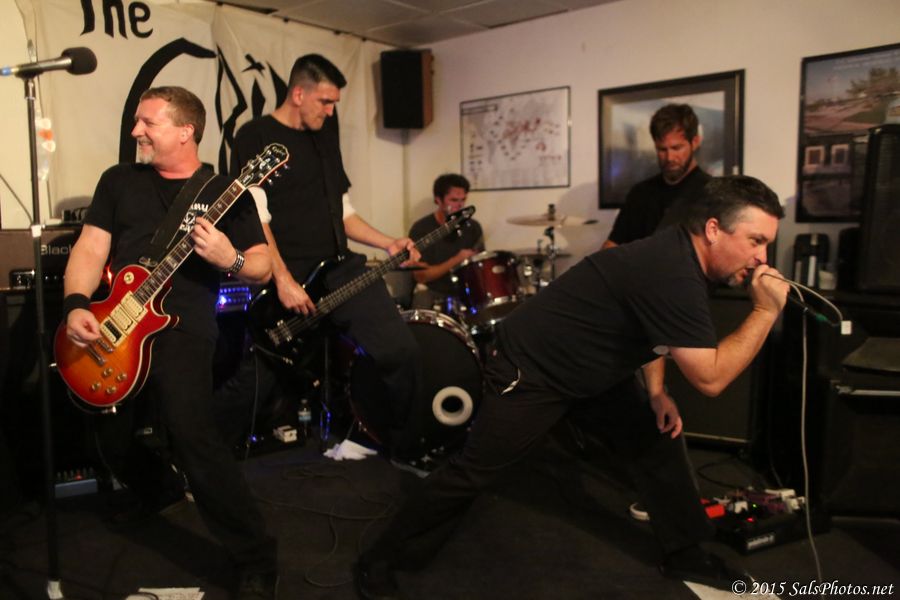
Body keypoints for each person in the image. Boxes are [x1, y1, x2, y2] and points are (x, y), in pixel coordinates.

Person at [355, 175, 790, 598]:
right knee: (472, 472)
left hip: (595, 369)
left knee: (656, 434)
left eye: (766, 244)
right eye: (755, 241)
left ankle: (685, 553)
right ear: (713, 229)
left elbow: (654, 328)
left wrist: (657, 393)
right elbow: (711, 379)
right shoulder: (674, 272)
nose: (762, 257)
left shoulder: (678, 257)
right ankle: (380, 560)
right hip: (533, 369)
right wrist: (765, 312)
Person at [62, 86, 278, 599]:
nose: (135, 130)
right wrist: (75, 303)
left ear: (186, 131)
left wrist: (229, 258)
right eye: (138, 121)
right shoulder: (119, 181)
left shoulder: (227, 191)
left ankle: (256, 557)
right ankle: (159, 490)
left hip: (182, 327)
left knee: (190, 434)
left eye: (148, 123)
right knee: (109, 434)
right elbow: (92, 246)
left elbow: (263, 265)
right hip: (118, 323)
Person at [231, 54, 427, 470]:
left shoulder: (324, 135)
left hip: (341, 269)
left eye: (334, 103)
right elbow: (256, 217)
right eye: (325, 101)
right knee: (261, 378)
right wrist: (282, 279)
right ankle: (202, 463)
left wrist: (388, 242)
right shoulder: (255, 136)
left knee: (399, 351)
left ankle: (395, 444)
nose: (330, 111)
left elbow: (344, 210)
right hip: (292, 273)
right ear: (298, 94)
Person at [602, 103, 711, 249]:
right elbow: (613, 244)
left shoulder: (711, 193)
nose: (670, 157)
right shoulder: (639, 193)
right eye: (662, 149)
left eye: (676, 148)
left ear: (695, 142)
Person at [407, 173, 484, 310]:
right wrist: (457, 259)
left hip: (464, 292)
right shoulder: (422, 229)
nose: (460, 205)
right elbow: (421, 276)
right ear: (438, 200)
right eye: (454, 200)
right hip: (433, 293)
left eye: (463, 200)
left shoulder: (473, 227)